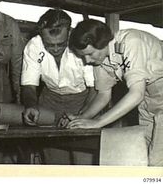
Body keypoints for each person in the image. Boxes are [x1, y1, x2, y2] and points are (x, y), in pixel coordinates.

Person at [67, 19, 163, 166]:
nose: (87, 60)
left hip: (150, 96)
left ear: (102, 43)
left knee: (157, 163)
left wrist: (97, 122)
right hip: (149, 103)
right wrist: (81, 119)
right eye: (82, 56)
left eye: (90, 53)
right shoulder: (100, 59)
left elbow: (136, 94)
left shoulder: (131, 42)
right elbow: (103, 95)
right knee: (145, 160)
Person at [21, 9, 97, 164]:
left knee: (83, 162)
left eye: (61, 44)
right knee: (54, 161)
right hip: (50, 100)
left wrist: (82, 116)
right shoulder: (33, 46)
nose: (55, 49)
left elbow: (95, 89)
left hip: (83, 99)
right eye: (49, 45)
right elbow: (29, 85)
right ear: (42, 36)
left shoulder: (83, 44)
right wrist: (31, 105)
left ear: (69, 33)